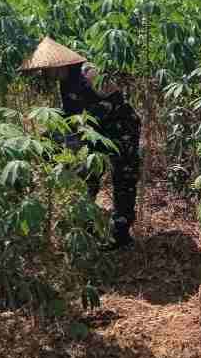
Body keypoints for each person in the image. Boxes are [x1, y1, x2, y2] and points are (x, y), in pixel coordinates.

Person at [20, 37, 141, 250]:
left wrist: (83, 124)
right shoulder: (64, 83)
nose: (45, 75)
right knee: (87, 175)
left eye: (47, 70)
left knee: (123, 178)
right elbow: (70, 114)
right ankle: (86, 223)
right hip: (93, 133)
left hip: (121, 131)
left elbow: (115, 102)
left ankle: (121, 235)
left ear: (59, 64)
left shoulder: (89, 73)